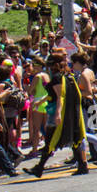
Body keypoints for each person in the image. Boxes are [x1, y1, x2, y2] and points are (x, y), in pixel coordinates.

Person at [23, 50, 89, 178]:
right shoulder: (67, 76)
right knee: (74, 139)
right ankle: (82, 165)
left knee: (51, 141)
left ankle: (39, 168)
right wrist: (41, 101)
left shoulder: (59, 77)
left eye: (51, 64)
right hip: (68, 113)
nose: (50, 67)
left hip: (58, 113)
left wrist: (58, 114)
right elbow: (54, 94)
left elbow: (60, 96)